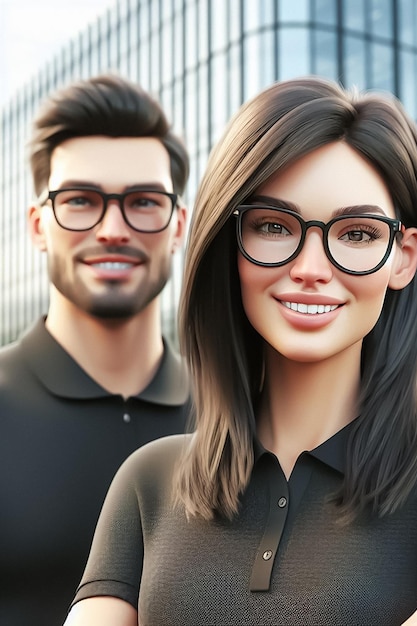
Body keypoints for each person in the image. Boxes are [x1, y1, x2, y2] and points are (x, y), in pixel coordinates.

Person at [64, 76, 417, 626]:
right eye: (273, 226)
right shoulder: (147, 482)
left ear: (403, 258)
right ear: (227, 244)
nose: (311, 269)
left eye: (356, 234)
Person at [0, 74, 191, 626]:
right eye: (80, 201)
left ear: (177, 225)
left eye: (143, 201)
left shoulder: (243, 417)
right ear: (38, 226)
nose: (112, 229)